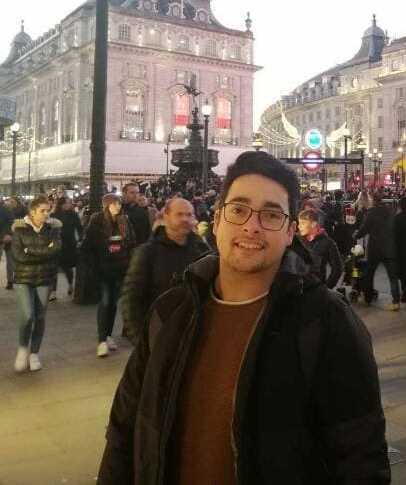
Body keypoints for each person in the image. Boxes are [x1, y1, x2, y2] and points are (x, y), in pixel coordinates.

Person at [98, 151, 390, 484]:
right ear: (218, 219)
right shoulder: (171, 310)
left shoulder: (326, 321)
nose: (251, 226)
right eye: (238, 210)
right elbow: (125, 427)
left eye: (270, 214)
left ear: (290, 231)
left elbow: (361, 459)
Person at [121, 198, 208, 345]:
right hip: (161, 337)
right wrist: (141, 343)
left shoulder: (201, 250)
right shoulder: (148, 252)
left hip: (195, 337)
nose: (185, 219)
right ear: (166, 218)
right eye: (179, 214)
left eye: (189, 214)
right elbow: (131, 300)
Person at [11, 195, 62, 373]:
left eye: (48, 210)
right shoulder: (19, 230)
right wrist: (43, 252)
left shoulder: (52, 230)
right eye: (43, 211)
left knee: (40, 317)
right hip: (23, 279)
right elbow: (18, 256)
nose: (46, 213)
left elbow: (55, 250)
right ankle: (23, 349)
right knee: (28, 315)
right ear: (32, 212)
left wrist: (30, 250)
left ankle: (34, 353)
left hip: (45, 278)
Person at [83, 193, 136, 357]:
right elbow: (88, 246)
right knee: (105, 302)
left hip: (120, 269)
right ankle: (102, 340)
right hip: (103, 270)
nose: (117, 206)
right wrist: (94, 267)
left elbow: (131, 243)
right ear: (106, 205)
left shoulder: (124, 221)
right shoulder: (97, 221)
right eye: (114, 204)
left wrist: (129, 261)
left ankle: (107, 335)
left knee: (113, 303)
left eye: (119, 203)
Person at [354, 192, 400, 309]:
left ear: (373, 201)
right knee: (392, 276)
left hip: (375, 248)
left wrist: (354, 236)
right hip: (389, 247)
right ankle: (396, 302)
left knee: (369, 274)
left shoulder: (371, 214)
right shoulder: (390, 212)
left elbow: (363, 230)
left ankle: (367, 299)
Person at [297, 208, 343, 290]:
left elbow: (337, 269)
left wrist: (326, 289)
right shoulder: (296, 239)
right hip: (296, 289)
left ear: (314, 224)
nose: (299, 226)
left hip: (316, 289)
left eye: (302, 223)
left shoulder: (328, 243)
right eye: (299, 223)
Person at [50, 196, 83, 301]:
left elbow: (79, 228)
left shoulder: (73, 215)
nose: (68, 204)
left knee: (67, 267)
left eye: (69, 203)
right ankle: (53, 292)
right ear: (60, 204)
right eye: (65, 203)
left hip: (69, 243)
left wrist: (80, 240)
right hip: (56, 243)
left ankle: (70, 285)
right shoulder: (54, 215)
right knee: (53, 268)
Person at [3, 196, 28, 290]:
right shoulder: (5, 212)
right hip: (9, 240)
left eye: (12, 202)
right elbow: (4, 225)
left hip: (21, 240)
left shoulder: (24, 211)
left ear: (18, 202)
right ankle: (10, 280)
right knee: (9, 262)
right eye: (10, 201)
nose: (10, 203)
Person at [122, 182, 151, 246]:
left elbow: (146, 234)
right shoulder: (118, 210)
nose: (136, 195)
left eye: (137, 192)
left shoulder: (142, 213)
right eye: (132, 193)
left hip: (137, 249)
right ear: (124, 194)